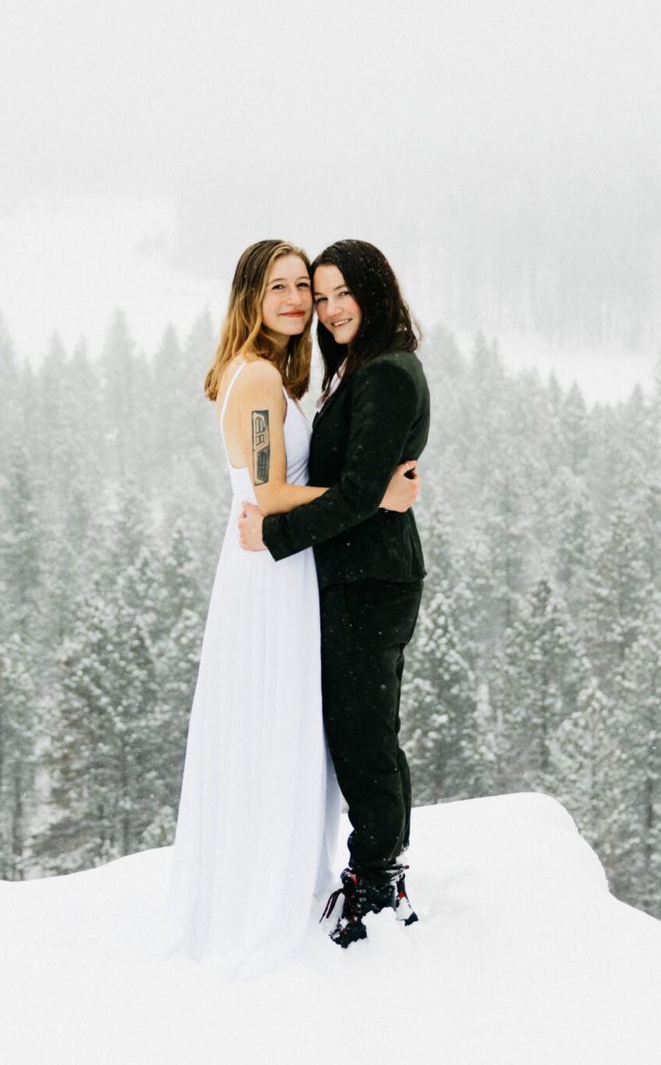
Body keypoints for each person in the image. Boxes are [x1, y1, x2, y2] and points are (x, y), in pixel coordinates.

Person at [159, 239, 420, 977]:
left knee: (288, 722)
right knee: (272, 720)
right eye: (280, 286)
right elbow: (268, 497)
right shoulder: (261, 380)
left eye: (305, 286)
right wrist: (378, 494)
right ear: (250, 294)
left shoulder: (276, 374)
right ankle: (257, 889)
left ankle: (277, 874)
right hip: (270, 569)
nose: (299, 300)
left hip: (285, 561)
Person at [237, 238, 430, 949]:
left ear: (376, 292)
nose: (328, 308)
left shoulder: (387, 376)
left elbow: (356, 496)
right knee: (358, 729)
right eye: (319, 297)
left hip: (369, 579)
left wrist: (277, 533)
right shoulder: (360, 369)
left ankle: (378, 883)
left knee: (365, 735)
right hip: (353, 575)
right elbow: (363, 489)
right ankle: (373, 870)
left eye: (342, 292)